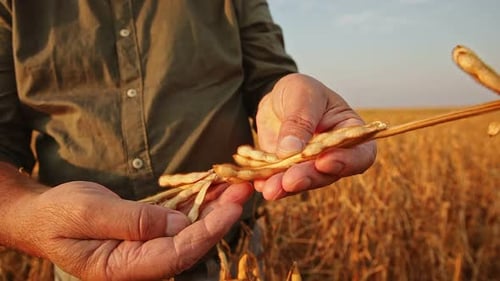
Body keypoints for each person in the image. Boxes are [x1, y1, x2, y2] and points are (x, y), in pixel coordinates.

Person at [0, 1, 376, 280]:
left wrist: (287, 102)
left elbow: (268, 78)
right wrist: (26, 218)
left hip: (230, 249)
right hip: (79, 260)